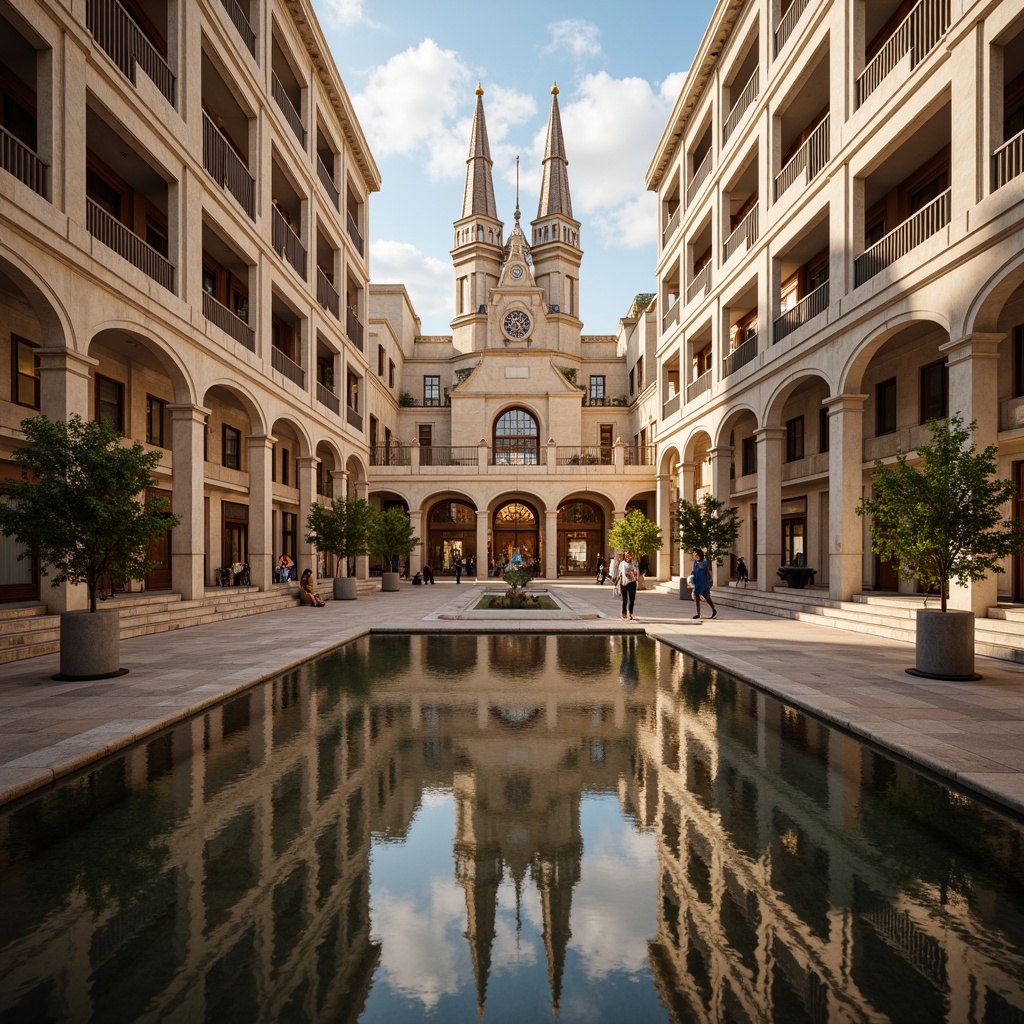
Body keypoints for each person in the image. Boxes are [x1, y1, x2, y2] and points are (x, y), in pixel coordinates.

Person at [691, 549, 717, 620]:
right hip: (697, 581)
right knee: (696, 598)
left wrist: (711, 579)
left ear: (700, 555)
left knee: (706, 596)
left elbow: (708, 570)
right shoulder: (694, 563)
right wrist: (690, 580)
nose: (696, 556)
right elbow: (693, 572)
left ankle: (713, 610)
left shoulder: (704, 562)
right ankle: (698, 614)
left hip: (703, 582)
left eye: (697, 555)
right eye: (695, 555)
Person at [619, 551, 639, 620]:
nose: (627, 557)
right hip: (624, 584)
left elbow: (636, 572)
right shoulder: (622, 564)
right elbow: (620, 573)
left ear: (631, 556)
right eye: (626, 556)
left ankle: (630, 613)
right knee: (624, 600)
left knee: (632, 600)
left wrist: (633, 573)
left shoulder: (634, 563)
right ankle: (624, 613)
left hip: (632, 583)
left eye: (628, 556)